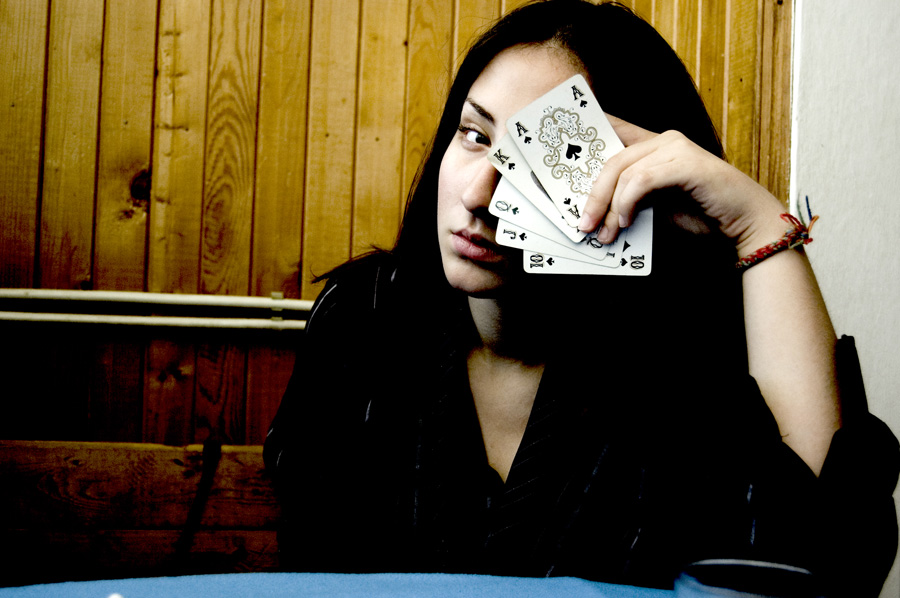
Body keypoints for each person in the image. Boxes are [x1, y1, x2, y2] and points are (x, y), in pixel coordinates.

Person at [264, 0, 899, 595]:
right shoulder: (365, 316)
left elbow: (814, 559)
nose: (480, 196)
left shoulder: (679, 359)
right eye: (475, 135)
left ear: (635, 182)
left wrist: (756, 224)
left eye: (534, 161)